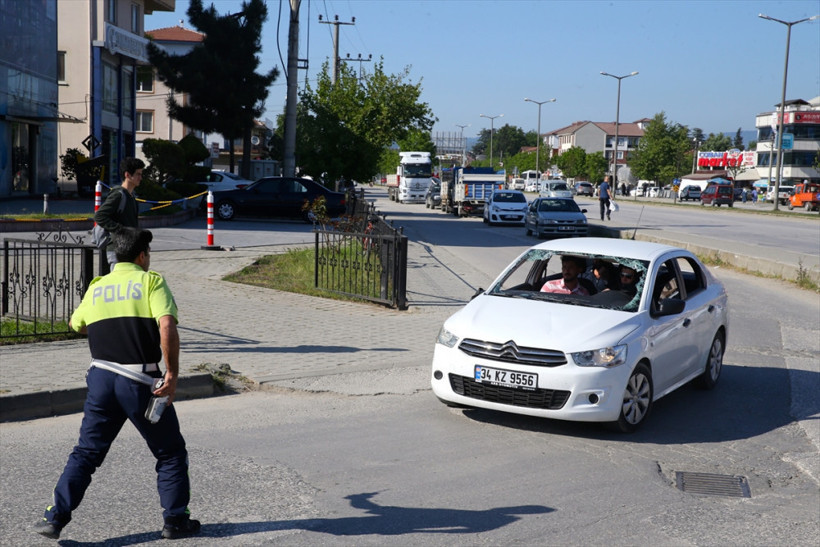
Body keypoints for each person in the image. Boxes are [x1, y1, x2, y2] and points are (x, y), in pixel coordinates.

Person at [36, 227, 200, 541]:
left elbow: (76, 325)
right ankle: (175, 521)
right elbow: (166, 325)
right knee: (170, 452)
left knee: (85, 453)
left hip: (100, 378)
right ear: (142, 256)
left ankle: (54, 518)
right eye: (148, 254)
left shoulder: (98, 286)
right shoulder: (151, 282)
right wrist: (172, 374)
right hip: (140, 381)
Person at [95, 157, 144, 267]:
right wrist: (120, 230)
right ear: (127, 175)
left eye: (141, 174)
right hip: (117, 250)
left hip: (129, 250)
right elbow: (99, 216)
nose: (141, 178)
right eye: (138, 174)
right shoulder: (118, 194)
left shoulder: (132, 197)